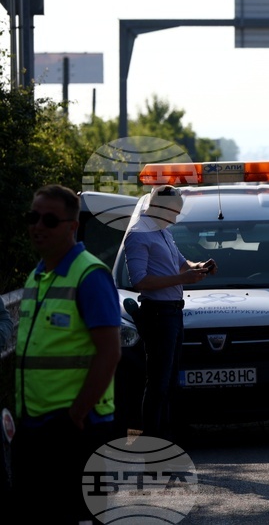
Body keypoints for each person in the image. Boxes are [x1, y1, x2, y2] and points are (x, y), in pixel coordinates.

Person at [12, 184, 122, 523]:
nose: (37, 226)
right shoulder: (37, 274)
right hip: (34, 424)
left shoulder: (90, 275)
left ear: (72, 227)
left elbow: (110, 351)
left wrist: (77, 413)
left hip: (77, 426)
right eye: (33, 217)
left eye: (48, 220)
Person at [123, 185, 216, 439]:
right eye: (174, 211)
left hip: (172, 313)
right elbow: (140, 281)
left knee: (170, 382)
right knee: (158, 383)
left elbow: (181, 263)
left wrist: (200, 267)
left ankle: (166, 436)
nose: (176, 217)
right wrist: (180, 278)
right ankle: (154, 441)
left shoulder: (162, 231)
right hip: (158, 314)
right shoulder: (138, 235)